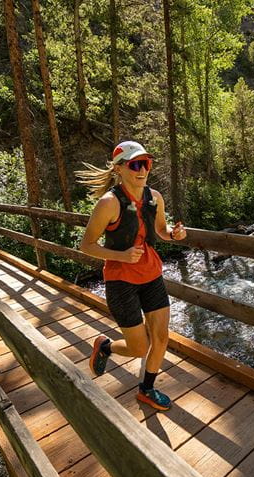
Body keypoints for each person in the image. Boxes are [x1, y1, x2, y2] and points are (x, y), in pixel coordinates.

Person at [77, 141, 186, 411]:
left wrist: (173, 233)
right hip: (121, 281)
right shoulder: (108, 203)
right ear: (119, 169)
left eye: (146, 164)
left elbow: (160, 230)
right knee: (139, 347)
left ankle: (147, 389)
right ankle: (105, 347)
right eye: (135, 164)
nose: (142, 170)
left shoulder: (155, 197)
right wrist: (122, 256)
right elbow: (86, 245)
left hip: (151, 274)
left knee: (161, 338)